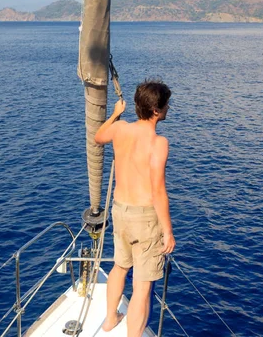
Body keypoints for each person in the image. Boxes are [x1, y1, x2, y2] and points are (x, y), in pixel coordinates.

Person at [94, 79, 176, 336]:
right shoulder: (158, 143)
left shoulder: (120, 129)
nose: (168, 108)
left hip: (120, 211)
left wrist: (115, 114)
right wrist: (168, 231)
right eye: (166, 105)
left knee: (120, 267)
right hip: (144, 218)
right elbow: (158, 192)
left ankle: (110, 320)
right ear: (156, 111)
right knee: (142, 286)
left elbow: (98, 137)